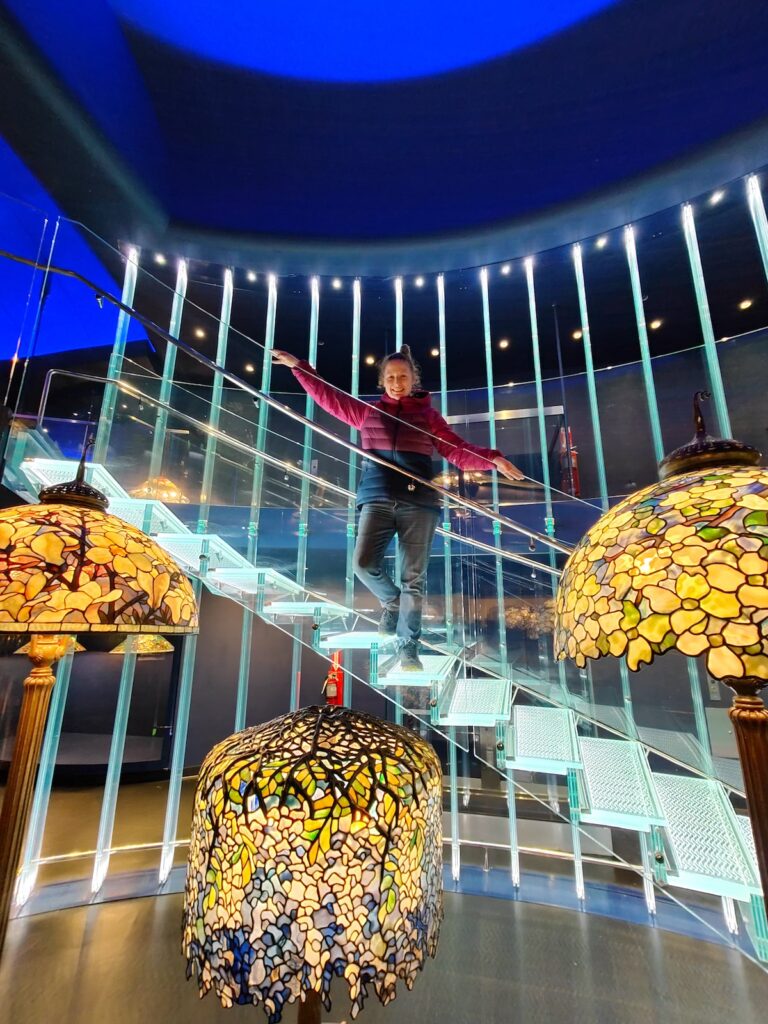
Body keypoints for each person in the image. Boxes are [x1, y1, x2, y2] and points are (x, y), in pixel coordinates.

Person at [272, 344, 523, 671]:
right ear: (383, 381)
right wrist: (299, 367)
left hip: (418, 502)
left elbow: (457, 450)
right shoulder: (367, 412)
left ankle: (408, 648)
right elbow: (328, 397)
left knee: (412, 581)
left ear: (413, 378)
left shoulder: (427, 416)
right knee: (363, 564)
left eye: (402, 376)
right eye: (390, 377)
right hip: (376, 496)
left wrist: (492, 459)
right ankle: (392, 603)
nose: (396, 382)